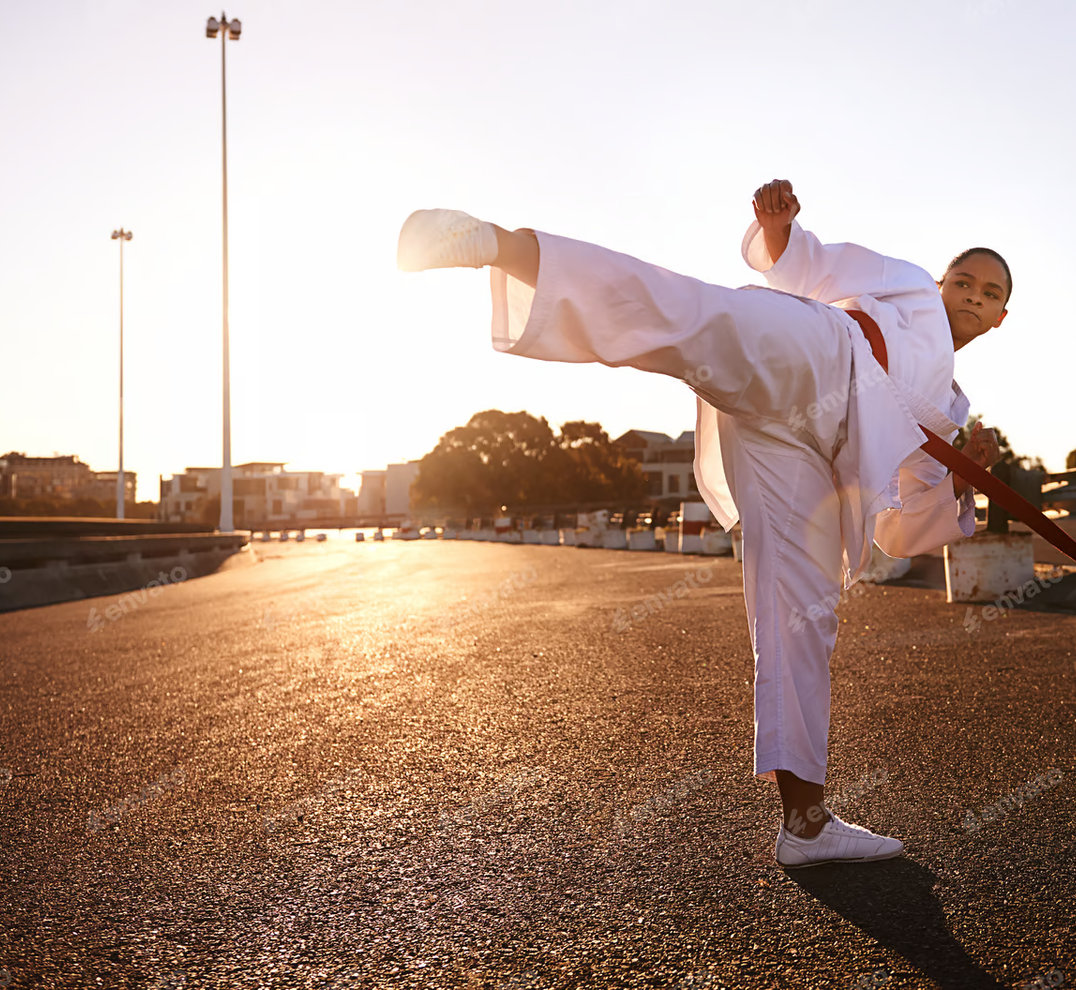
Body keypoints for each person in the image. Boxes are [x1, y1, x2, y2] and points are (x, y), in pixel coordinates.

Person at [396, 180, 1007, 867]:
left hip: (812, 450)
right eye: (964, 280)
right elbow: (813, 265)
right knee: (693, 314)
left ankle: (804, 823)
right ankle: (494, 244)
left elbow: (899, 531)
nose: (972, 295)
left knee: (802, 612)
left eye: (989, 292)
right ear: (941, 280)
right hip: (817, 351)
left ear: (1001, 317)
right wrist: (779, 234)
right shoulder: (908, 289)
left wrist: (957, 474)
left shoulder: (951, 410)